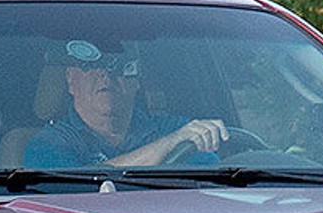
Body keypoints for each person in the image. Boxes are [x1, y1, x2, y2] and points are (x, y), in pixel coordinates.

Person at [24, 40, 227, 168]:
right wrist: (167, 145)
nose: (105, 74)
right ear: (70, 80)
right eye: (91, 66)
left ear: (136, 80)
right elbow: (72, 188)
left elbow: (210, 185)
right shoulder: (48, 144)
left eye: (118, 66)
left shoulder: (176, 129)